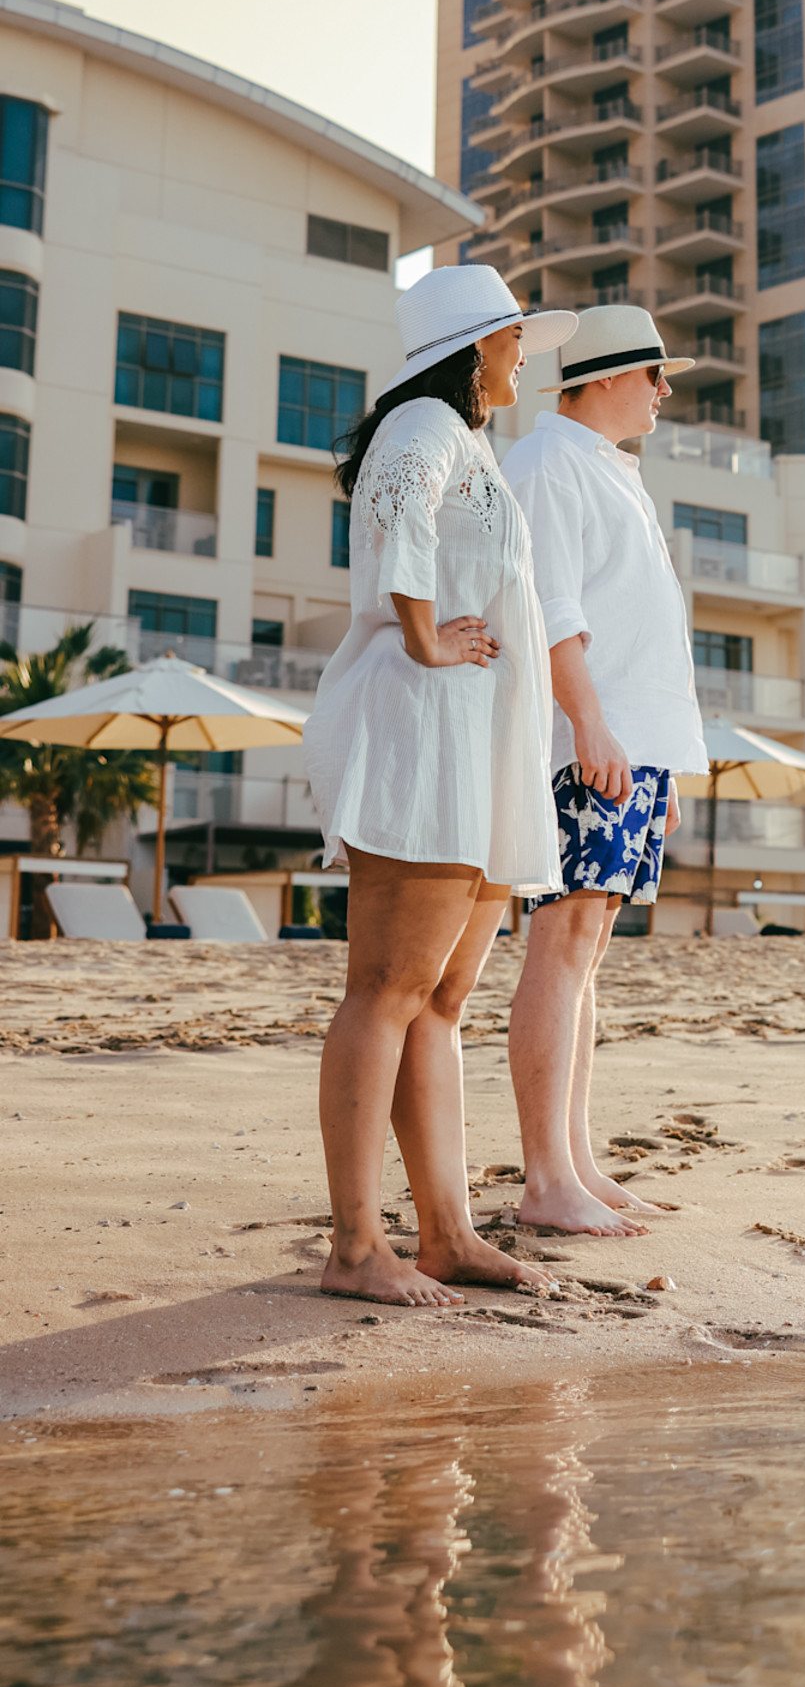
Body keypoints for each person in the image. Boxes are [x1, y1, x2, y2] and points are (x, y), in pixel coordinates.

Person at [303, 262, 578, 1308]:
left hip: (480, 744)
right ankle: (355, 1245)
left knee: (442, 999)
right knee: (387, 987)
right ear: (473, 348)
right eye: (514, 338)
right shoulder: (423, 424)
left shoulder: (472, 442)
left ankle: (447, 1233)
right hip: (425, 731)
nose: (524, 355)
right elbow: (398, 506)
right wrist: (423, 634)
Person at [501, 306, 703, 1237]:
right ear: (613, 375)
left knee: (590, 950)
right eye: (657, 375)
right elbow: (552, 611)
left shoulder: (610, 469)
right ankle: (546, 1178)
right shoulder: (549, 462)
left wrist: (660, 761)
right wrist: (591, 725)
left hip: (633, 746)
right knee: (565, 940)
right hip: (591, 739)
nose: (665, 392)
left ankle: (576, 1162)